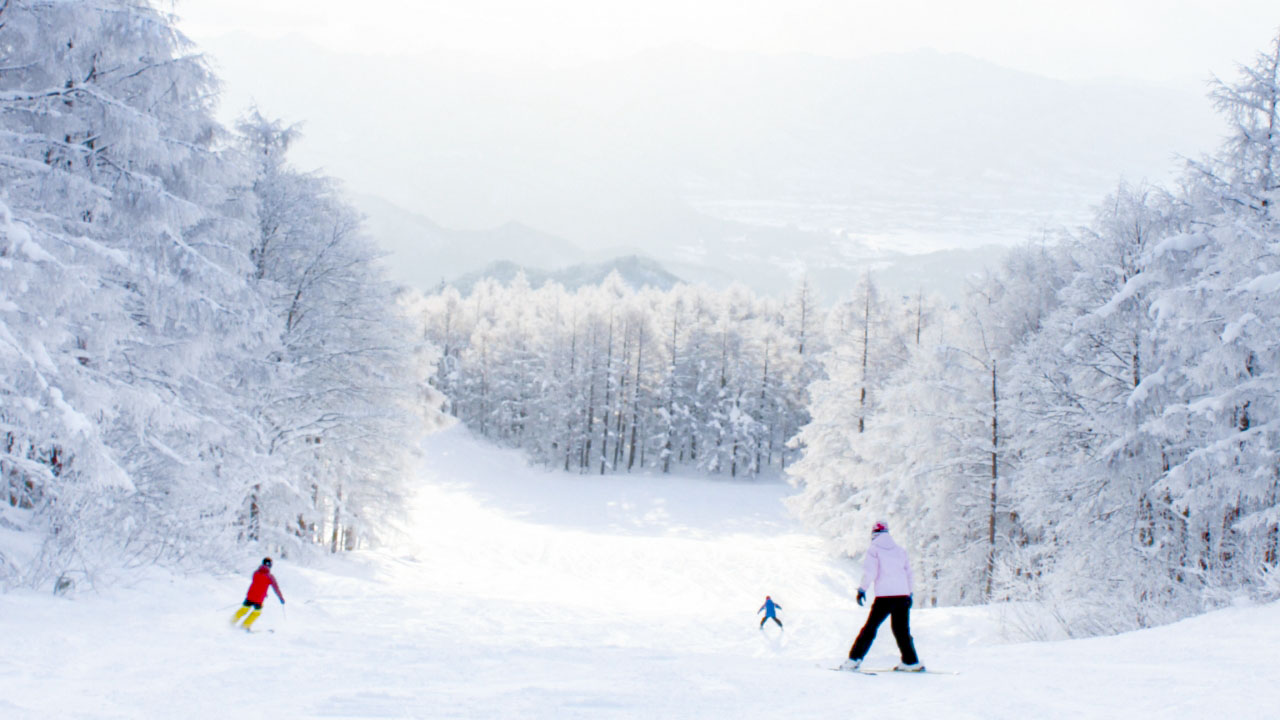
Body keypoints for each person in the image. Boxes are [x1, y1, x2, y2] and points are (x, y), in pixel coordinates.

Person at [839, 522, 923, 672]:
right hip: (902, 595)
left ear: (874, 534)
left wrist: (862, 589)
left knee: (870, 628)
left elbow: (870, 572)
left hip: (885, 597)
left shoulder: (874, 550)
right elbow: (909, 573)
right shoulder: (900, 550)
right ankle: (911, 662)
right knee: (901, 630)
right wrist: (909, 593)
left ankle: (853, 660)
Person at [230, 557, 285, 632]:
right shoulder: (270, 577)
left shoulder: (256, 573)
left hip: (250, 596)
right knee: (256, 612)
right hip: (259, 599)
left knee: (243, 610)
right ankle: (245, 626)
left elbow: (258, 584)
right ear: (270, 565)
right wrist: (281, 598)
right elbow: (276, 589)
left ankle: (231, 622)